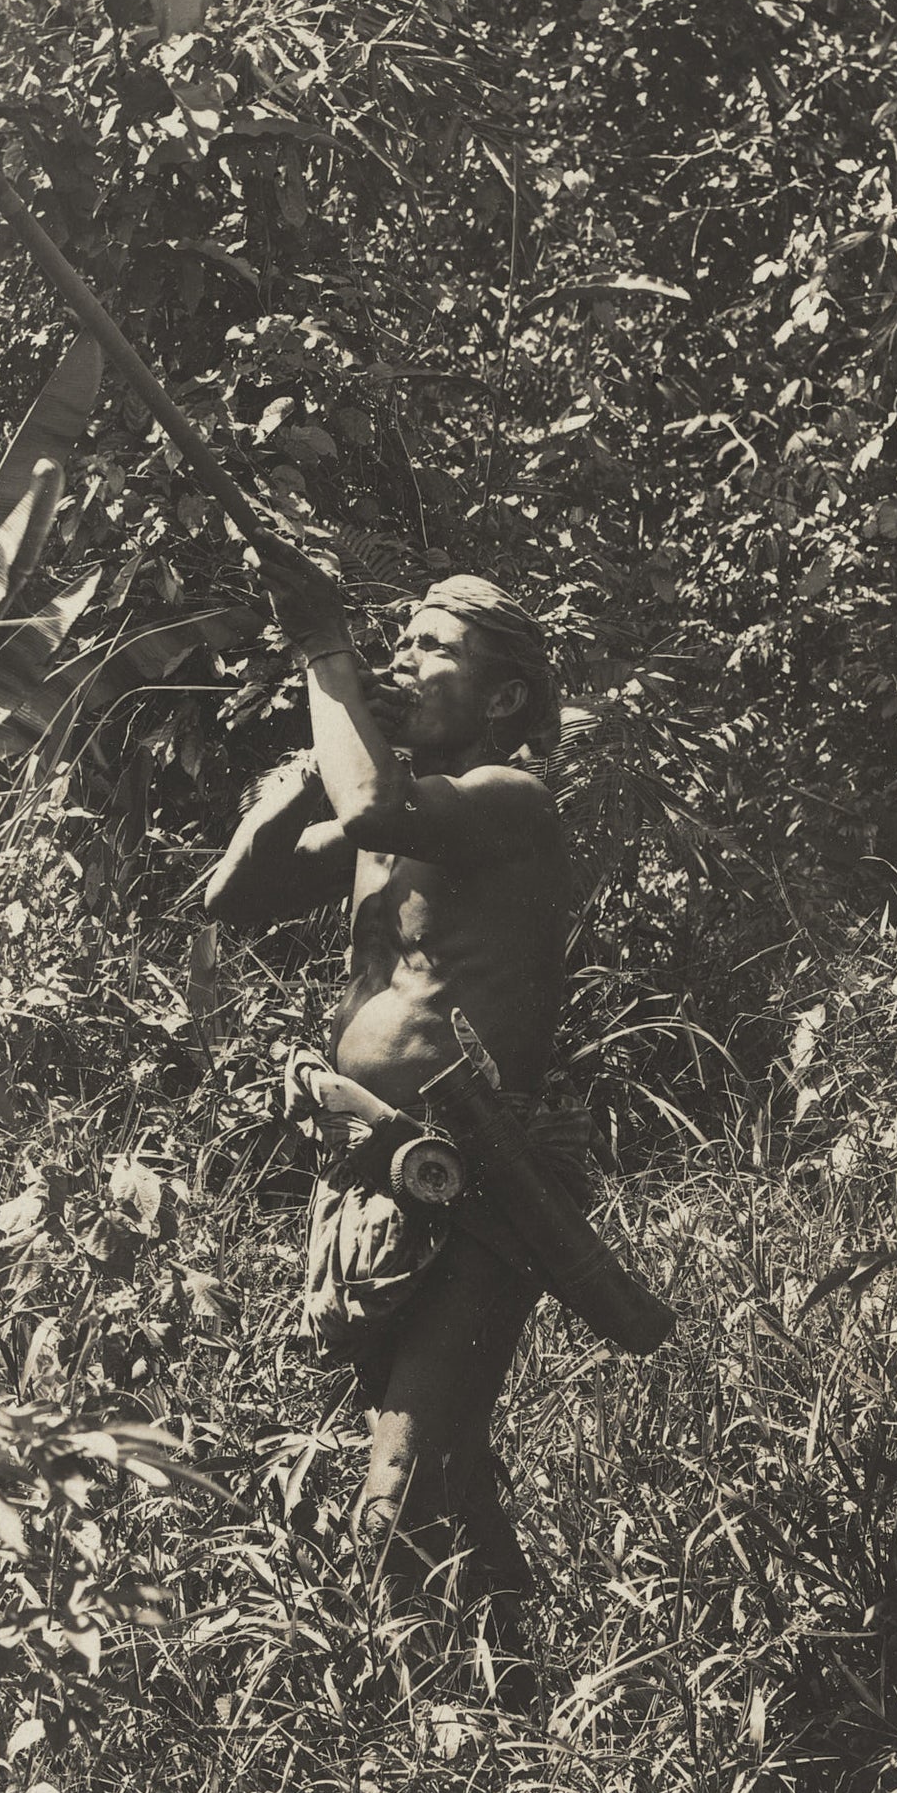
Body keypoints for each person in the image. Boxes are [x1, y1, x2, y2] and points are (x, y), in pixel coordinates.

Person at [204, 566, 586, 1695]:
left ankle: (421, 1749)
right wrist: (287, 790)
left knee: (400, 1490)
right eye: (397, 643)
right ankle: (530, 1703)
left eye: (434, 649)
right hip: (365, 1170)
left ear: (505, 699)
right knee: (448, 1472)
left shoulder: (505, 800)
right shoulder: (393, 815)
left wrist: (324, 652)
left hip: (472, 1180)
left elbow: (374, 804)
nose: (404, 663)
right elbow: (232, 900)